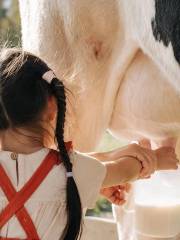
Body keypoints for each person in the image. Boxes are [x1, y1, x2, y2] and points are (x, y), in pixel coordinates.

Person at [0, 48, 178, 240]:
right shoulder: (71, 173)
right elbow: (123, 171)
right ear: (52, 107)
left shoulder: (72, 172)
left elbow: (60, 168)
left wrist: (111, 157)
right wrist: (157, 159)